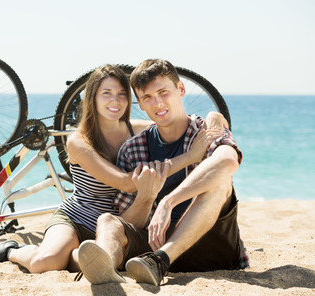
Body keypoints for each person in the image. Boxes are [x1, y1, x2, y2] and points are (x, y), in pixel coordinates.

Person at [0, 64, 225, 274]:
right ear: (92, 97)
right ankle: (11, 250)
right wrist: (190, 156)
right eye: (107, 93)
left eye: (122, 94)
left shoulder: (136, 129)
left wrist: (215, 117)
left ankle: (73, 256)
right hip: (77, 217)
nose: (116, 101)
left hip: (116, 225)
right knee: (43, 263)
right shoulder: (78, 141)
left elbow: (176, 117)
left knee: (98, 261)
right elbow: (126, 182)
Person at [77, 59, 249, 286]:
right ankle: (105, 269)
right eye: (147, 97)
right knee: (108, 221)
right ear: (140, 104)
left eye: (163, 92)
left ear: (181, 89)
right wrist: (146, 198)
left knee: (219, 184)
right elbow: (129, 222)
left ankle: (162, 260)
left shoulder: (205, 131)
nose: (157, 103)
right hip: (149, 256)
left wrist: (169, 201)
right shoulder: (133, 149)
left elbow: (228, 161)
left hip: (212, 249)